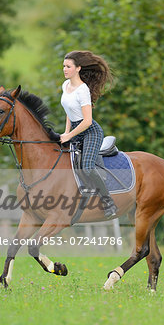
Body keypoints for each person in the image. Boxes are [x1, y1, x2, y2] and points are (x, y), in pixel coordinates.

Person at [60, 50, 117, 219]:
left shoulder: (82, 90)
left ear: (78, 68)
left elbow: (87, 122)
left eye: (68, 66)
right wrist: (66, 132)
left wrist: (69, 136)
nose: (64, 69)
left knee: (87, 167)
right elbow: (69, 112)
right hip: (75, 131)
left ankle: (108, 202)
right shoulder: (65, 86)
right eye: (63, 66)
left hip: (90, 132)